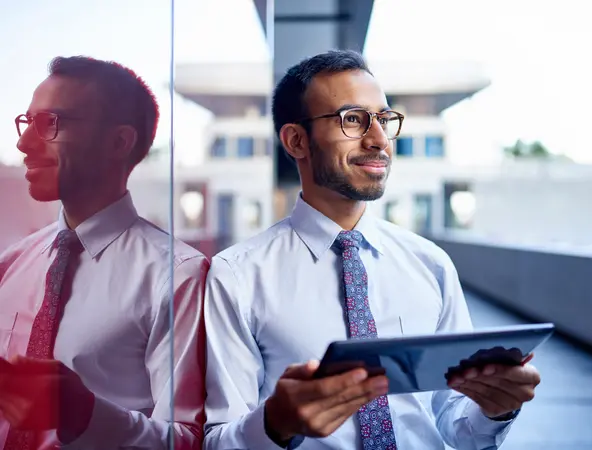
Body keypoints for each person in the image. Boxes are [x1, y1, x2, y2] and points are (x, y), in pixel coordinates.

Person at [203, 50, 541, 450]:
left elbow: (457, 426)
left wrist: (495, 409)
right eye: (352, 119)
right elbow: (218, 441)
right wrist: (274, 424)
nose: (379, 139)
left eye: (383, 119)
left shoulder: (430, 264)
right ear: (296, 140)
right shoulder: (237, 275)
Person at [0, 56, 207, 449]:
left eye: (50, 124)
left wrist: (86, 415)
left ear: (118, 142)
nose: (24, 144)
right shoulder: (11, 265)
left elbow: (188, 441)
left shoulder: (178, 276)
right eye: (27, 124)